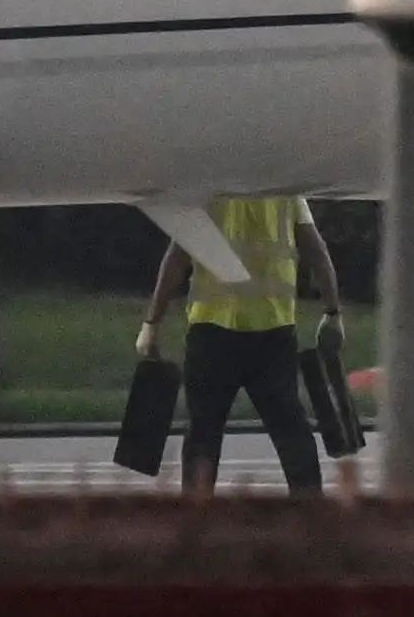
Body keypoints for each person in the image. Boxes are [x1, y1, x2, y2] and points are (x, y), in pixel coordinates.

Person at [134, 192, 336, 495]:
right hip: (272, 332)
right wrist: (333, 312)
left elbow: (177, 257)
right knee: (293, 435)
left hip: (212, 333)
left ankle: (195, 522)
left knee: (203, 436)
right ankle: (312, 521)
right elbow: (315, 251)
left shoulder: (207, 192)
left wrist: (152, 323)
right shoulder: (286, 195)